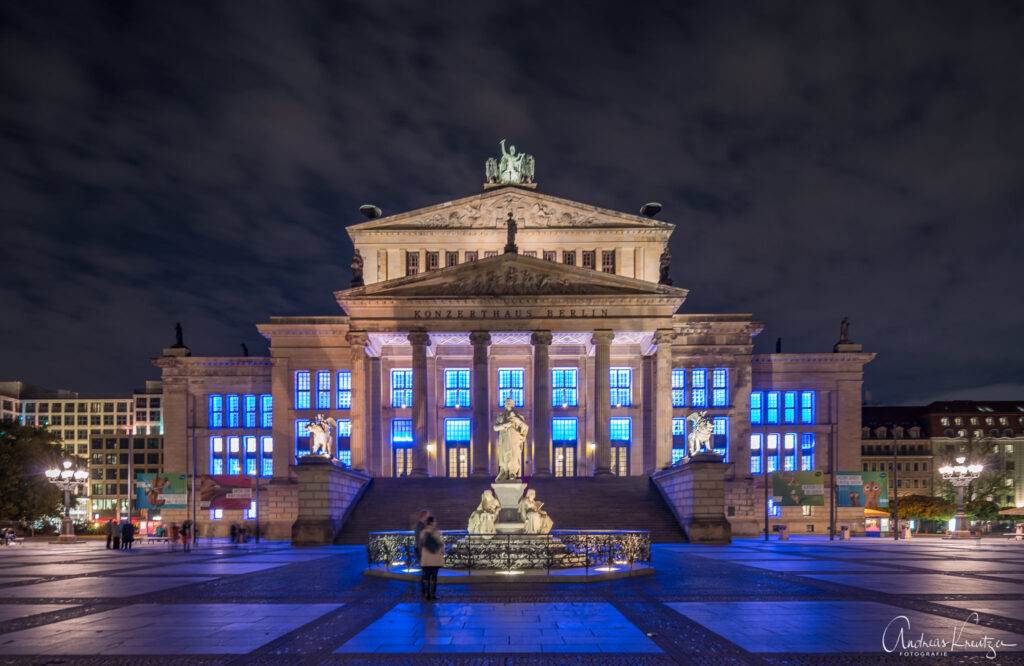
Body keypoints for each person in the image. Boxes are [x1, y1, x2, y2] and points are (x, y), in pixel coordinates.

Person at [417, 516, 444, 601]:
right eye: (435, 521)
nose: (436, 523)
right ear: (431, 522)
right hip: (435, 559)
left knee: (427, 577)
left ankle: (427, 594)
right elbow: (441, 545)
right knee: (434, 578)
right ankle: (433, 594)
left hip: (426, 559)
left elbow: (420, 545)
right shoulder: (437, 532)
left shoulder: (423, 532)